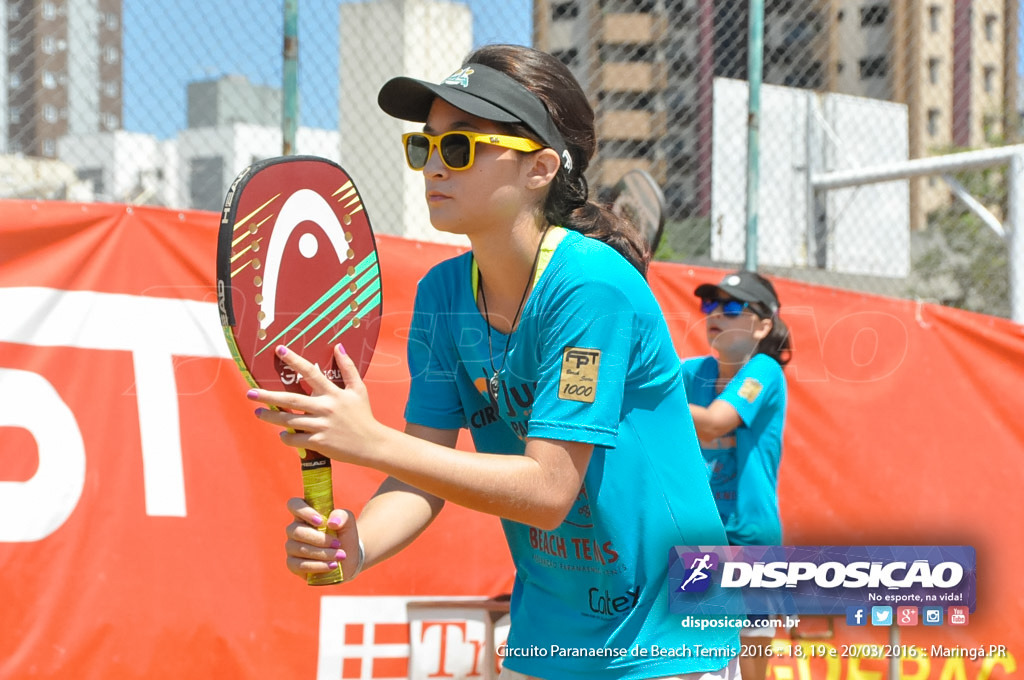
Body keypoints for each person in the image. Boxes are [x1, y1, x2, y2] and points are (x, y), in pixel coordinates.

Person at [248, 44, 739, 680]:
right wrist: (358, 544)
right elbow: (420, 474)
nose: (434, 167)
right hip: (549, 633)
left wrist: (369, 442)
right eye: (426, 146)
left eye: (461, 147)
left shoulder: (592, 286)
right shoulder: (442, 294)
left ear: (539, 168)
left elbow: (547, 493)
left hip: (667, 636)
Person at [681, 270, 792, 680]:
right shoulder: (691, 373)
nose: (716, 314)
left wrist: (654, 403)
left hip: (749, 540)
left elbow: (713, 422)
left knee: (749, 671)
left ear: (763, 325)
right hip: (699, 538)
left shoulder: (765, 370)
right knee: (697, 660)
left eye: (731, 307)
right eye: (710, 305)